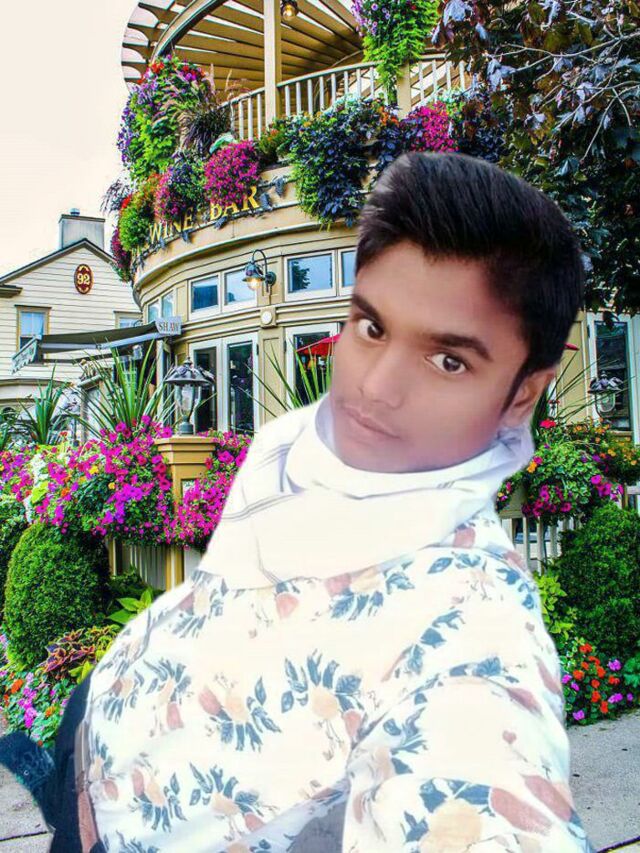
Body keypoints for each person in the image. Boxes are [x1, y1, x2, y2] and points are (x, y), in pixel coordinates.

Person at [2, 150, 594, 852]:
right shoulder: (300, 444)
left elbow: (477, 787)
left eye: (447, 360)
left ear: (523, 394)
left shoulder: (471, 625)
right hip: (94, 720)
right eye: (373, 328)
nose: (376, 386)